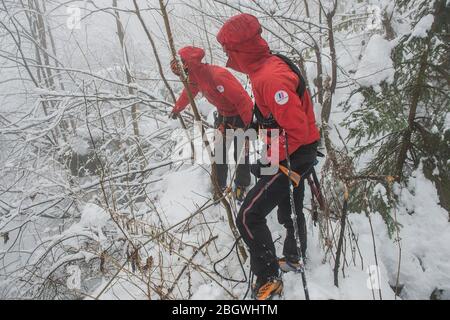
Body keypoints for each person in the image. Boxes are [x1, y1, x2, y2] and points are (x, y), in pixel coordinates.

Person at [217, 14, 321, 300]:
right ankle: (294, 255)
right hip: (295, 150)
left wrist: (275, 160)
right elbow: (274, 118)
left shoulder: (269, 77)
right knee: (284, 201)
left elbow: (296, 129)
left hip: (293, 155)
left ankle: (268, 278)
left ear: (241, 50)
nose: (227, 56)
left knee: (248, 216)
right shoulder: (267, 64)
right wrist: (256, 135)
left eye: (228, 51)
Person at [169, 46, 253, 201]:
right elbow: (189, 93)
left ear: (189, 64)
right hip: (224, 116)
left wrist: (248, 124)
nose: (180, 74)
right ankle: (219, 186)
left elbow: (242, 100)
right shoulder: (194, 78)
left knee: (240, 154)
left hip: (241, 116)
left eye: (180, 69)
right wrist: (177, 109)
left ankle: (242, 184)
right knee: (219, 153)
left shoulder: (217, 76)